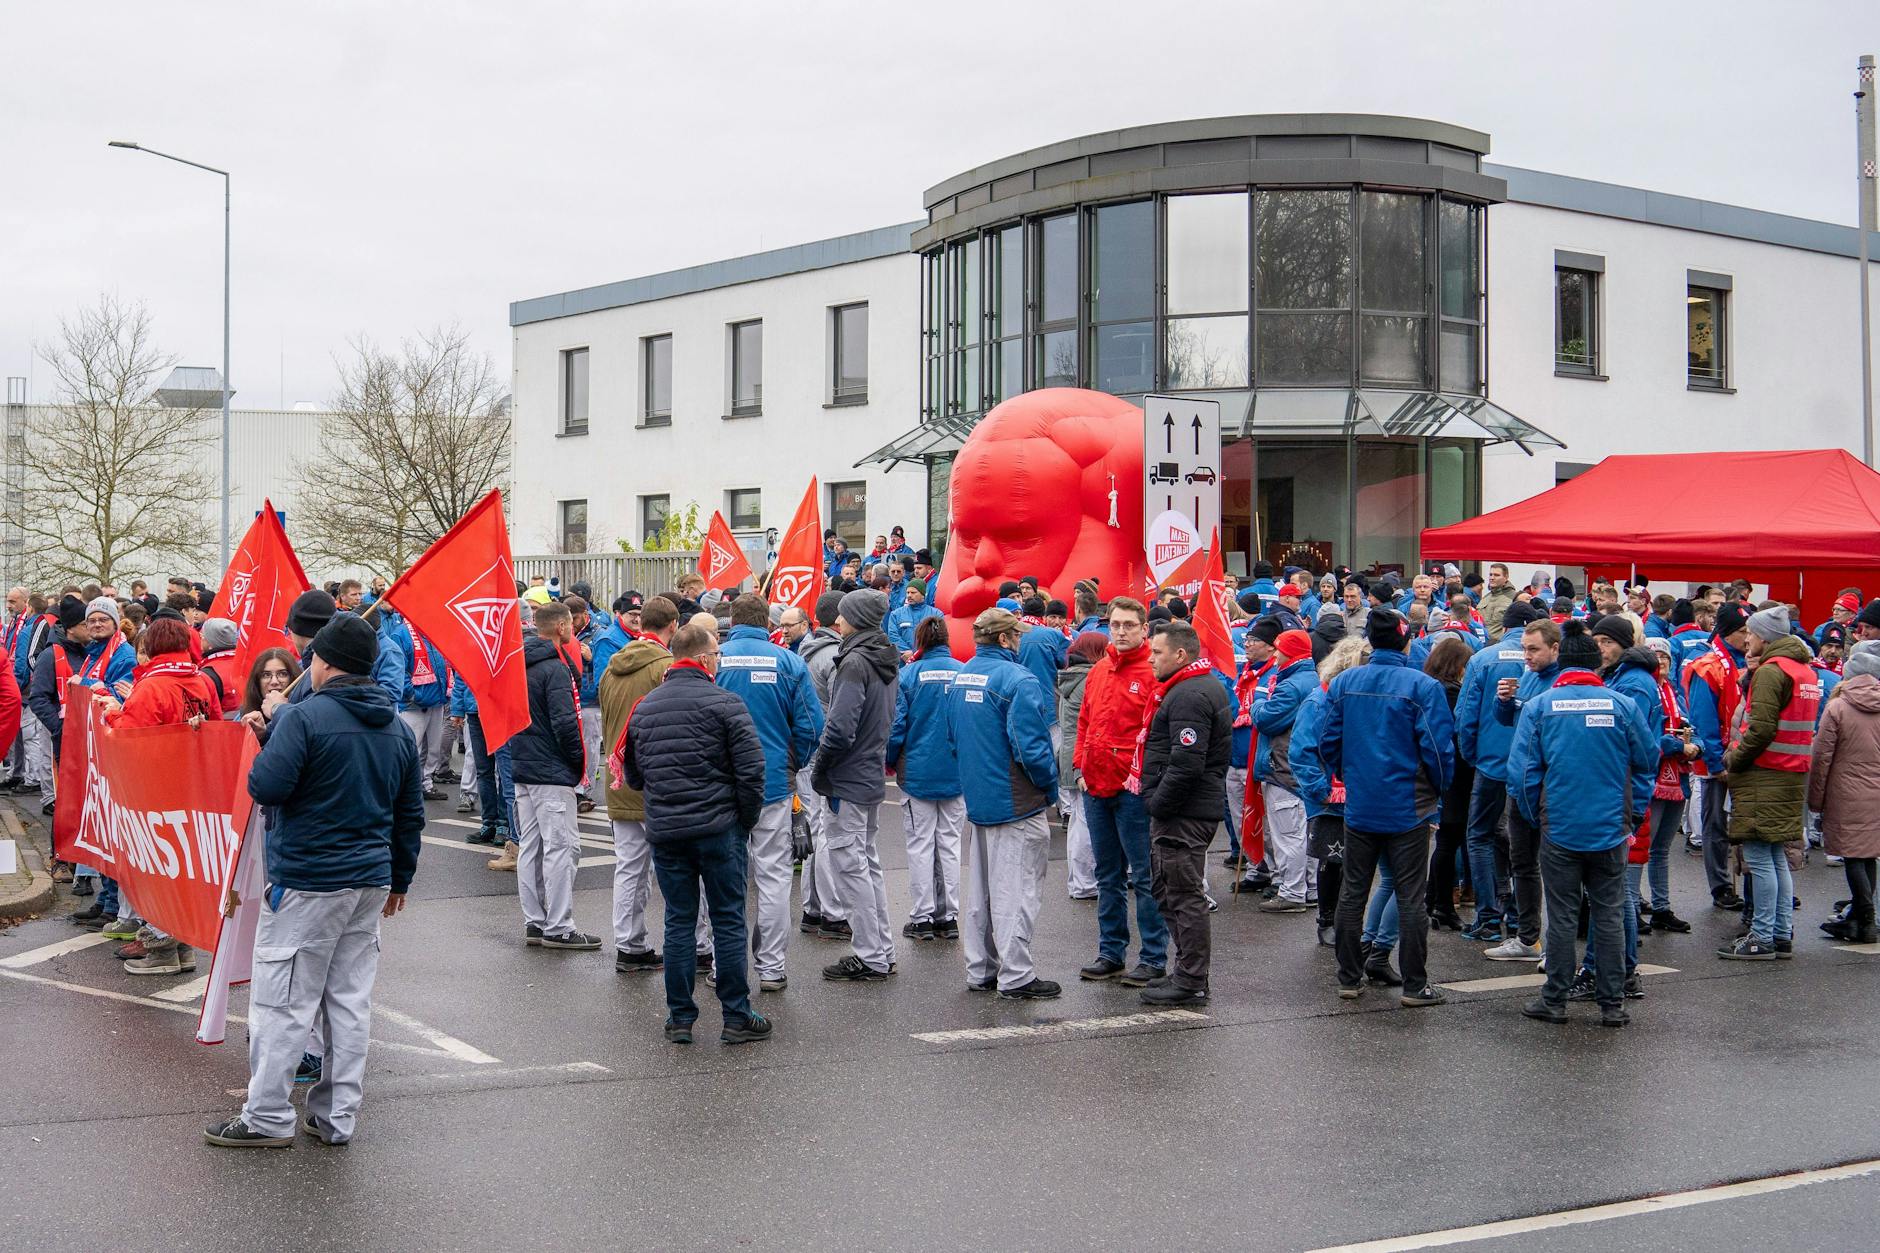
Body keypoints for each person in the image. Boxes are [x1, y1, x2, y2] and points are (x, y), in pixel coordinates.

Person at [205, 614, 423, 1147]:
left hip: (308, 879)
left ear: (322, 663)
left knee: (282, 1005)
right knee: (348, 1003)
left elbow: (268, 785)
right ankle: (335, 1118)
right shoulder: (396, 726)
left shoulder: (304, 718)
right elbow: (409, 811)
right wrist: (398, 878)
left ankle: (266, 1118)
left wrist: (277, 723)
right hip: (368, 881)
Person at [622, 621, 769, 1044]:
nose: (719, 660)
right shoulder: (727, 704)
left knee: (679, 920)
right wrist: (745, 819)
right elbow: (752, 771)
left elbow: (634, 775)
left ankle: (680, 1017)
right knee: (727, 919)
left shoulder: (646, 707)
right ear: (704, 659)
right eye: (717, 654)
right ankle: (737, 1016)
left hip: (668, 830)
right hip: (719, 828)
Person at [1508, 621, 1658, 1028]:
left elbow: (1521, 773)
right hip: (1610, 828)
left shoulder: (1541, 707)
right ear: (1596, 666)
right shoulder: (1622, 704)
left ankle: (1554, 999)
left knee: (1562, 916)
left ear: (1562, 663)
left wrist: (1535, 816)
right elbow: (1647, 761)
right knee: (1608, 914)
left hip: (1560, 827)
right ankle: (1612, 1004)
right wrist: (1635, 813)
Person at [1319, 609, 1453, 1008]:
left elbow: (1328, 741)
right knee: (1410, 895)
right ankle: (1415, 985)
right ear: (1407, 640)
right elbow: (1440, 751)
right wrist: (1436, 790)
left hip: (1363, 803)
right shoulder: (1422, 686)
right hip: (1408, 807)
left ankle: (1349, 977)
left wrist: (1348, 773)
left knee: (1353, 892)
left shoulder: (1345, 682)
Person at [946, 607, 1060, 999]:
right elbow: (1032, 749)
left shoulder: (961, 676)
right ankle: (1017, 975)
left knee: (981, 893)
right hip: (1016, 800)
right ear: (1005, 638)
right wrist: (1050, 789)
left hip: (979, 796)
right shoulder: (1019, 679)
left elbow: (953, 737)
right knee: (1017, 890)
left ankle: (981, 969)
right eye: (1017, 633)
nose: (1021, 639)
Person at [716, 593, 824, 990]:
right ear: (769, 623)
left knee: (724, 877)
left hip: (722, 785)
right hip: (773, 783)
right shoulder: (791, 662)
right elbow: (812, 726)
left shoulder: (716, 658)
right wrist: (791, 761)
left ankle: (722, 965)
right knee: (774, 877)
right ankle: (772, 967)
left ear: (731, 618)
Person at [1136, 620, 1232, 1006]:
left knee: (1183, 894)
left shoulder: (1190, 694)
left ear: (1180, 654)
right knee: (1169, 890)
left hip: (1185, 811)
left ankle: (1191, 980)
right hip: (1185, 808)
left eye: (1156, 652)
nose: (1151, 659)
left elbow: (1187, 762)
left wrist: (1157, 803)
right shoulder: (1185, 688)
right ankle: (1186, 972)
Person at [1073, 597, 1168, 984]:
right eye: (1115, 624)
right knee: (1107, 875)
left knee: (1144, 876)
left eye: (1129, 624)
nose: (1122, 631)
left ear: (1144, 628)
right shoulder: (1098, 670)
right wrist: (1079, 766)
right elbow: (1084, 722)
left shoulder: (1152, 671)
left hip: (1133, 789)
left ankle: (1153, 957)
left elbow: (1160, 733)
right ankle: (1111, 951)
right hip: (1096, 784)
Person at [1719, 606, 1821, 960]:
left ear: (1764, 636)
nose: (1747, 638)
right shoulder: (1803, 671)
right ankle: (1779, 933)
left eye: (1751, 632)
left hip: (1765, 772)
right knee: (1776, 855)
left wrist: (1734, 758)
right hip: (1790, 772)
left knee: (1761, 856)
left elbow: (1760, 728)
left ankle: (1762, 935)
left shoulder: (1770, 672)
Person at [810, 589, 899, 981]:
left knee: (850, 866)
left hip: (847, 775)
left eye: (844, 615)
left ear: (856, 619)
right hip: (868, 770)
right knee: (866, 863)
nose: (838, 621)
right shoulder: (883, 656)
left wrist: (821, 770)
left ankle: (870, 954)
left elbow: (839, 726)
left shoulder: (854, 661)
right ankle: (881, 949)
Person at [508, 600, 597, 950]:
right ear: (561, 627)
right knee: (562, 848)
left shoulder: (519, 662)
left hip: (524, 765)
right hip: (551, 769)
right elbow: (565, 722)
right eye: (570, 627)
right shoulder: (555, 668)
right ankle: (559, 925)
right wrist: (577, 763)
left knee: (531, 846)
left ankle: (535, 920)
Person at [598, 595, 679, 973]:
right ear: (673, 626)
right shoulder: (666, 667)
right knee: (676, 867)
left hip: (619, 778)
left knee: (629, 867)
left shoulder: (611, 668)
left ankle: (629, 945)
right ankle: (691, 945)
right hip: (657, 780)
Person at [1485, 616, 1563, 960]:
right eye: (1524, 649)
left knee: (1555, 868)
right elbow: (1512, 721)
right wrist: (1504, 702)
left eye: (1534, 650)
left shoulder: (1561, 681)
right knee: (1523, 864)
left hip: (1547, 788)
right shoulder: (1528, 677)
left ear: (1555, 648)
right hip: (1519, 785)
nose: (1526, 656)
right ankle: (1527, 939)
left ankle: (1556, 946)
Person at [886, 615, 964, 941]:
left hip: (918, 771)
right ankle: (948, 916)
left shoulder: (909, 675)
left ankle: (922, 917)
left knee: (920, 845)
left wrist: (889, 761)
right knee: (950, 844)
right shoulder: (964, 672)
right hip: (956, 770)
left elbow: (896, 726)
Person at [1291, 635, 1366, 947]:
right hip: (1329, 796)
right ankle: (1326, 920)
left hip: (1358, 793)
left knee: (1355, 862)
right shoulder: (1317, 701)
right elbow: (1301, 750)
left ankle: (1347, 920)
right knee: (1331, 860)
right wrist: (1319, 788)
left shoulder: (1357, 698)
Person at [1684, 601, 1753, 911]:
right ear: (1725, 633)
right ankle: (1721, 886)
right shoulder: (1707, 667)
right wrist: (1715, 762)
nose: (1748, 636)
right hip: (1720, 760)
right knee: (1717, 825)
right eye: (1742, 631)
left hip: (1746, 757)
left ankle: (1755, 883)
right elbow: (1703, 721)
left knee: (1750, 823)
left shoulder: (1751, 662)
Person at [1813, 642, 1880, 942]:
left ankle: (1865, 917)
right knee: (1869, 855)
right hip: (1876, 790)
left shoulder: (1838, 706)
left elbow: (1822, 756)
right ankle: (1860, 916)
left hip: (1846, 790)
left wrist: (1815, 799)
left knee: (1853, 854)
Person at [1250, 627, 1318, 913]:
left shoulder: (1291, 685)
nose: (1274, 654)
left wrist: (1258, 702)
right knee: (1304, 834)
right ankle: (1310, 888)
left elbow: (1266, 719)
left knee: (1288, 834)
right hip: (1300, 769)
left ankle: (1292, 892)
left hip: (1285, 769)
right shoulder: (1311, 678)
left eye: (1279, 649)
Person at [794, 591, 848, 938]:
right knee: (828, 831)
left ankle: (813, 908)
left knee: (816, 828)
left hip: (808, 749)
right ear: (839, 620)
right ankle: (832, 912)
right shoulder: (834, 656)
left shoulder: (804, 652)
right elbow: (842, 714)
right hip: (826, 751)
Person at [1423, 634, 1474, 932]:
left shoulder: (1429, 687)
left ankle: (1433, 900)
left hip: (1441, 774)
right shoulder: (1452, 693)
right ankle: (1440, 904)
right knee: (1449, 840)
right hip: (1455, 774)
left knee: (1446, 840)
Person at [1056, 630, 1107, 902]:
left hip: (1068, 753)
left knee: (1078, 820)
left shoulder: (1071, 676)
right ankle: (1085, 883)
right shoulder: (1091, 678)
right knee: (1086, 823)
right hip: (1082, 757)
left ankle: (1079, 880)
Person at [240, 648, 302, 718]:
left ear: (293, 677)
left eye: (282, 674)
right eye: (266, 675)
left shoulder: (304, 713)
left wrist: (278, 711)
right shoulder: (246, 712)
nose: (274, 682)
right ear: (257, 681)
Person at [198, 618, 241, 717]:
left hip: (222, 729)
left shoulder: (207, 673)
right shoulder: (246, 664)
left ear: (211, 642)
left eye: (202, 636)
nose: (200, 639)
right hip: (250, 728)